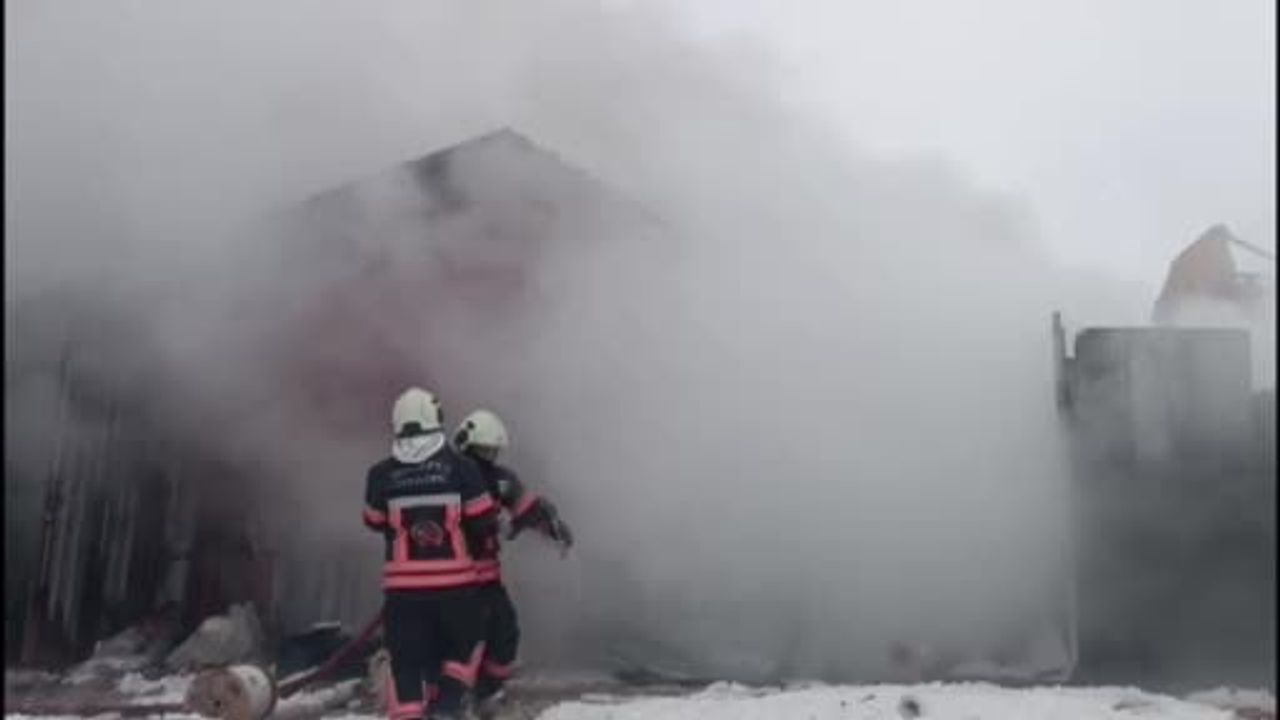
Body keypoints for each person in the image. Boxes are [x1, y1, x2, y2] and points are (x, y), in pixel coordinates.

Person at [364, 387, 499, 720]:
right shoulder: (462, 467)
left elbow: (374, 521)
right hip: (455, 587)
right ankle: (448, 706)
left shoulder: (380, 474)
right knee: (469, 643)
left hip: (402, 593)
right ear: (436, 418)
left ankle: (410, 714)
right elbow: (484, 521)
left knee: (407, 663)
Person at [452, 409, 573, 718]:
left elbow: (529, 507)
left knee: (505, 634)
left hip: (487, 581)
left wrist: (552, 525)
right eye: (482, 450)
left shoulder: (501, 481)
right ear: (465, 446)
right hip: (451, 583)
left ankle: (487, 691)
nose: (487, 457)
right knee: (462, 644)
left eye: (491, 451)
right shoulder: (447, 478)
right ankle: (454, 698)